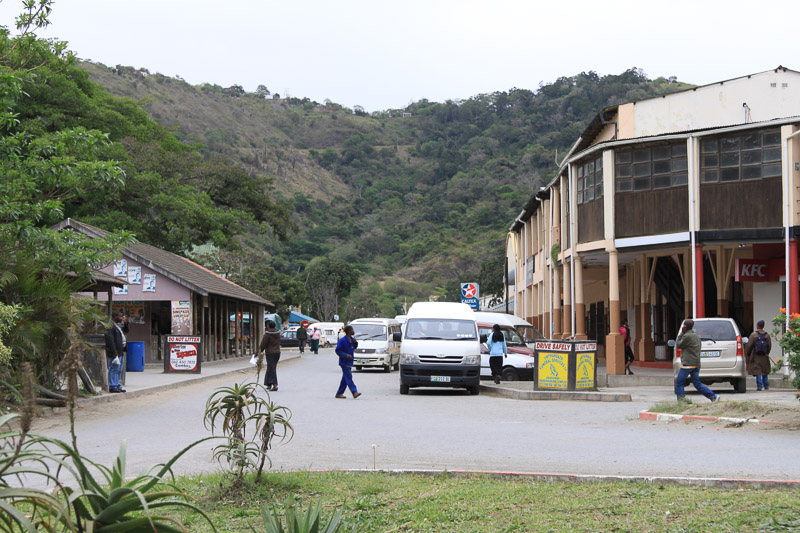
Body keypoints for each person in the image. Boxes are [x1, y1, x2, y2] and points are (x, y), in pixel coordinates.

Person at [675, 319, 719, 402]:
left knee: (679, 383)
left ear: (685, 326)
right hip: (696, 363)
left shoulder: (687, 336)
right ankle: (713, 396)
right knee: (697, 384)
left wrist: (681, 333)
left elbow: (678, 345)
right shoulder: (696, 336)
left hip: (688, 363)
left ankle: (681, 402)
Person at [103, 311, 128, 393]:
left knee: (119, 369)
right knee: (113, 368)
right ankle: (112, 385)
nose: (121, 318)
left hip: (120, 350)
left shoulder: (117, 326)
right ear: (115, 316)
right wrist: (114, 351)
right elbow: (110, 339)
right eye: (120, 316)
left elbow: (127, 330)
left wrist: (126, 322)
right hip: (115, 351)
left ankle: (117, 384)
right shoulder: (110, 326)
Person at [335, 325, 361, 399]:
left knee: (345, 378)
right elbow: (338, 350)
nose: (353, 331)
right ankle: (354, 391)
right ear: (349, 331)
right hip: (344, 362)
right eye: (352, 330)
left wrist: (356, 343)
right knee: (349, 377)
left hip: (350, 361)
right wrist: (345, 355)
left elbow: (354, 347)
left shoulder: (352, 339)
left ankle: (339, 393)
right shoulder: (343, 340)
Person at [746, 320, 772, 391]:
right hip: (764, 355)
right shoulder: (767, 335)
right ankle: (766, 385)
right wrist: (766, 353)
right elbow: (769, 346)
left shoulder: (754, 335)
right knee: (765, 370)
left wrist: (748, 354)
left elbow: (749, 346)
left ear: (757, 325)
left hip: (755, 355)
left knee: (757, 370)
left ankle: (759, 386)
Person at [259, 320, 281, 391]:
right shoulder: (278, 333)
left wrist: (259, 351)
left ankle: (275, 385)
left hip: (270, 353)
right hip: (277, 352)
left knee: (272, 368)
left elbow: (263, 344)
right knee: (270, 367)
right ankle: (268, 383)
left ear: (268, 326)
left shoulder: (267, 334)